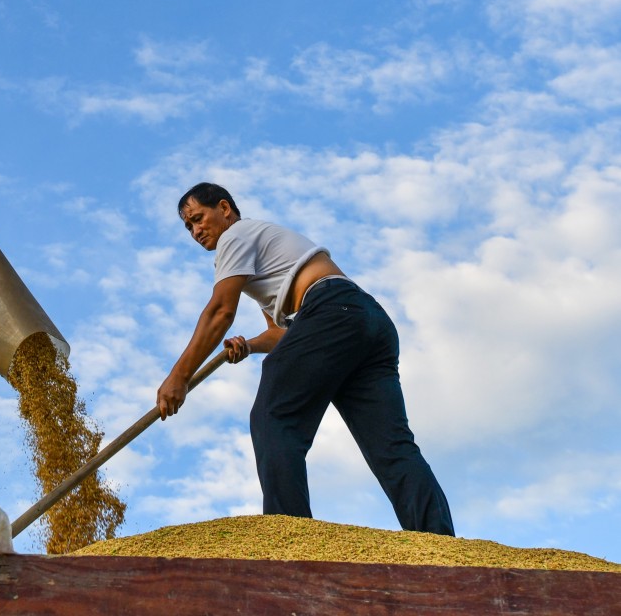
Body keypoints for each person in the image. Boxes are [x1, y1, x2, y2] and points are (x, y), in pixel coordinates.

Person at [156, 182, 454, 536]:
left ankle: (290, 538)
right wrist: (249, 345)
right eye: (188, 227)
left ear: (224, 208)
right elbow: (283, 334)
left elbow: (221, 311)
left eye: (198, 218)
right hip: (364, 320)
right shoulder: (263, 249)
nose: (195, 231)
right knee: (390, 447)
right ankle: (439, 543)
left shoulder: (235, 237)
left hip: (331, 311)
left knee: (274, 416)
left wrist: (180, 376)